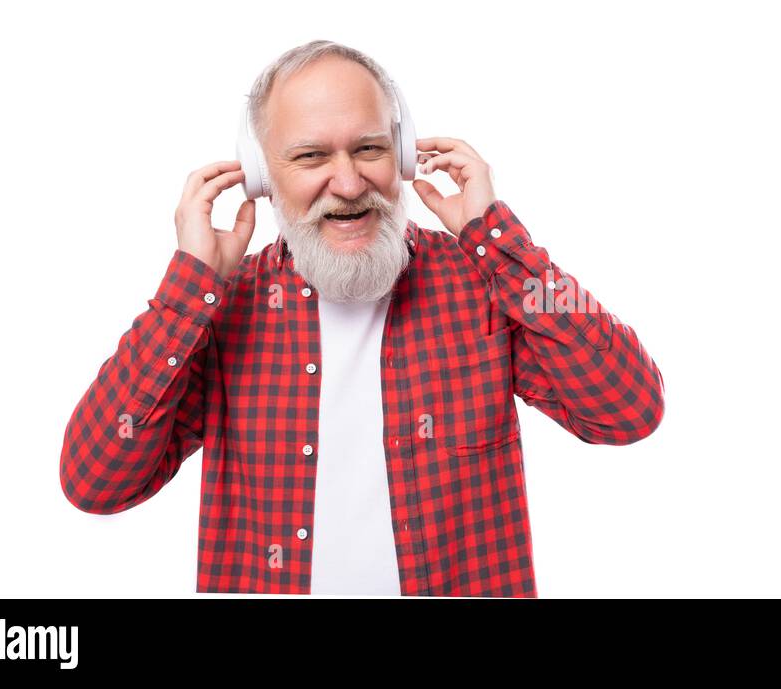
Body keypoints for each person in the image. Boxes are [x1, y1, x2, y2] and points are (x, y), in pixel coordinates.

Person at [59, 40, 665, 597]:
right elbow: (95, 483)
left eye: (370, 148)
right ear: (262, 175)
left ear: (402, 154)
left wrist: (501, 245)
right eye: (310, 155)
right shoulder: (222, 310)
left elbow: (630, 409)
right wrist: (189, 291)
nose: (347, 183)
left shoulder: (484, 282)